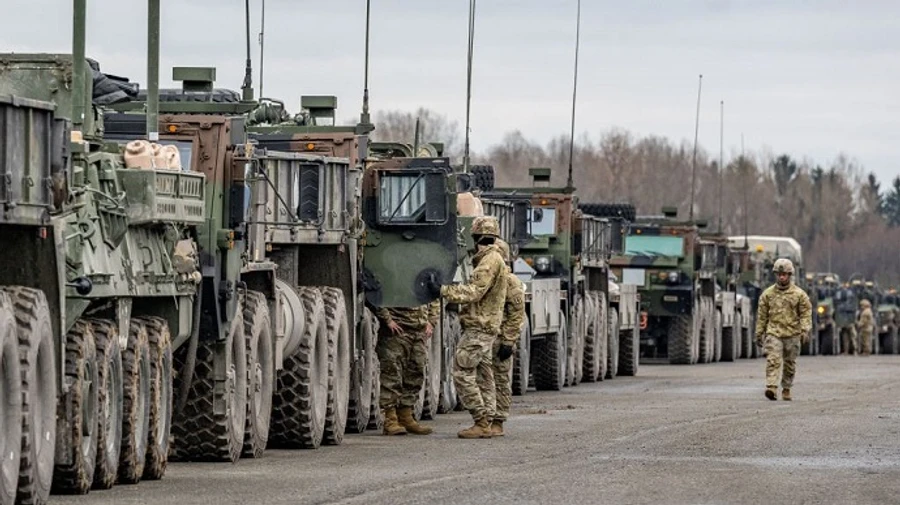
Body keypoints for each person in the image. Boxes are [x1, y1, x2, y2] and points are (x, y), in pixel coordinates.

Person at [427, 216, 507, 439]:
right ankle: (488, 420)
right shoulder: (495, 258)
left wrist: (442, 290)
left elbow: (474, 291)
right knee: (483, 374)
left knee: (461, 372)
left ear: (477, 237)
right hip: (486, 327)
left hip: (479, 328)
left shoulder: (489, 261)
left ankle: (481, 421)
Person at [375, 301, 440, 436]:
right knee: (392, 375)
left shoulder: (422, 278)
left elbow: (433, 294)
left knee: (415, 373)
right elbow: (377, 294)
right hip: (397, 329)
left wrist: (431, 321)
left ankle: (406, 416)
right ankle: (390, 419)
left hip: (418, 331)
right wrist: (387, 319)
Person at [755, 258, 812, 401]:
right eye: (779, 274)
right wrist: (759, 333)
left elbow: (805, 313)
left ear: (790, 275)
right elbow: (762, 316)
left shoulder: (800, 295)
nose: (782, 277)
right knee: (773, 360)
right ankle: (771, 388)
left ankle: (786, 388)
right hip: (774, 332)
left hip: (792, 334)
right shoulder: (767, 294)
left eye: (784, 274)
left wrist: (805, 330)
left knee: (789, 363)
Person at [490, 239, 526, 437]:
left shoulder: (511, 282)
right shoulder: (486, 277)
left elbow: (517, 314)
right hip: (486, 336)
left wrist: (509, 341)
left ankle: (498, 420)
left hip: (501, 338)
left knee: (501, 380)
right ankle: (484, 418)